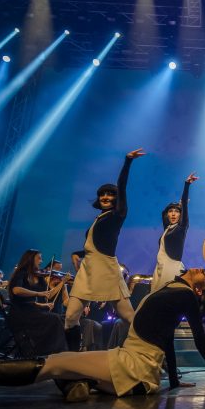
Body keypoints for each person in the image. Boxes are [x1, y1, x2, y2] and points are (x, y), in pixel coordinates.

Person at [0, 268, 205, 401]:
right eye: (203, 268)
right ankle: (85, 385)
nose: (203, 270)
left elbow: (201, 340)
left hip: (133, 366)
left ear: (200, 290)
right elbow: (166, 337)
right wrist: (175, 382)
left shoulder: (186, 294)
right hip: (134, 368)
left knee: (56, 362)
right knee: (64, 367)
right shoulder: (171, 290)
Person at [65, 149, 145, 351]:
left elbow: (122, 187)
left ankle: (149, 353)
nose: (106, 197)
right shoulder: (99, 218)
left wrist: (127, 162)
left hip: (106, 269)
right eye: (102, 194)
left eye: (110, 194)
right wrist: (78, 254)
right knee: (70, 316)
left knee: (129, 317)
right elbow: (94, 244)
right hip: (88, 269)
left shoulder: (118, 214)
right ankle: (73, 359)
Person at [7, 249, 68, 355]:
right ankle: (55, 352)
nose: (41, 261)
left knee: (61, 319)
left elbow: (42, 297)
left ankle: (47, 350)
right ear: (30, 259)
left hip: (30, 312)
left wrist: (45, 304)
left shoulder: (39, 277)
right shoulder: (21, 273)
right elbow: (16, 290)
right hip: (20, 314)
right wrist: (38, 294)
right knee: (55, 318)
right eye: (39, 258)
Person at [150, 172, 198, 294]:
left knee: (167, 301)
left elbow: (185, 207)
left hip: (171, 269)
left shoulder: (181, 228)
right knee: (155, 301)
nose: (172, 214)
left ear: (181, 215)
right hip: (159, 268)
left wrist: (186, 185)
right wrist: (178, 205)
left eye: (176, 212)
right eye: (170, 211)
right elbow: (163, 213)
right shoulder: (168, 227)